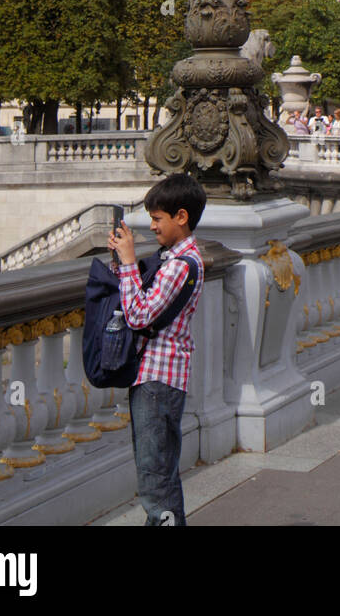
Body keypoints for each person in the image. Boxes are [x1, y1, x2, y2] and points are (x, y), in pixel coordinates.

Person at [108, 172, 206, 525]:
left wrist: (130, 262)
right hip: (160, 377)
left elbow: (138, 315)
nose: (152, 226)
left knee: (154, 478)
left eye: (157, 218)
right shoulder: (176, 258)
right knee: (160, 473)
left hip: (158, 379)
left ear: (181, 217)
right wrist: (124, 265)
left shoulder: (180, 264)